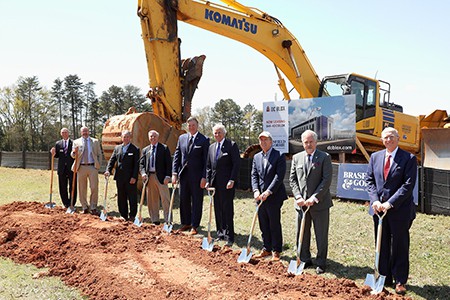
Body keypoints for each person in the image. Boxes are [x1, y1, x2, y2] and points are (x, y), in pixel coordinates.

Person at [366, 127, 417, 295]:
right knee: (381, 242)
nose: (388, 140)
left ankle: (400, 280)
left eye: (391, 137)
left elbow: (408, 186)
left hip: (399, 210)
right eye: (385, 138)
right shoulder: (375, 157)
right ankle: (384, 276)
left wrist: (389, 203)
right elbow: (370, 180)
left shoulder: (409, 158)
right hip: (378, 210)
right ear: (382, 140)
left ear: (397, 139)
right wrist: (374, 200)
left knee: (400, 244)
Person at [289, 129, 333, 274]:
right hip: (301, 204)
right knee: (302, 233)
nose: (308, 145)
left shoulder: (324, 157)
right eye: (306, 142)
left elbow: (326, 180)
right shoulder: (296, 158)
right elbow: (293, 180)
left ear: (316, 142)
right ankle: (304, 259)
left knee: (321, 234)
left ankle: (321, 262)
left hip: (319, 204)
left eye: (311, 142)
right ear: (302, 143)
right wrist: (298, 197)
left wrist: (314, 197)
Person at [251, 131, 287, 261]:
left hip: (274, 195)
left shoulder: (279, 155)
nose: (263, 142)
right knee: (263, 223)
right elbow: (254, 175)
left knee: (274, 223)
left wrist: (269, 191)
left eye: (266, 140)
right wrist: (256, 190)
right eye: (261, 140)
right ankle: (266, 248)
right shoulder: (256, 157)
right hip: (260, 197)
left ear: (271, 142)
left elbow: (279, 176)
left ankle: (276, 250)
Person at [172, 117, 209, 235]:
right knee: (183, 199)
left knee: (197, 200)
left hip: (197, 177)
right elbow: (177, 156)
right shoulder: (182, 138)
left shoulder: (204, 140)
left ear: (197, 126)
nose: (191, 127)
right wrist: (174, 173)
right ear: (187, 126)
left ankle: (194, 225)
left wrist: (204, 177)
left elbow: (206, 161)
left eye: (193, 125)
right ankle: (186, 223)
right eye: (189, 125)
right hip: (183, 175)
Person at [205, 124, 240, 251]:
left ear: (224, 133)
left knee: (227, 209)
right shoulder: (211, 147)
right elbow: (208, 166)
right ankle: (220, 233)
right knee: (218, 209)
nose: (217, 135)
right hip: (215, 184)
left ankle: (229, 236)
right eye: (215, 133)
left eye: (219, 132)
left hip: (227, 184)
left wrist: (232, 179)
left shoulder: (231, 145)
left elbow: (236, 164)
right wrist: (208, 181)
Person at [104, 130, 139, 221]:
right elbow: (112, 160)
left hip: (130, 178)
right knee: (121, 197)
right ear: (121, 138)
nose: (126, 138)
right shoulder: (117, 148)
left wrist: (134, 177)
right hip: (120, 177)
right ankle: (123, 215)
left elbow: (136, 165)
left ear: (130, 138)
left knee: (132, 197)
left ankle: (132, 215)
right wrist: (108, 170)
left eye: (127, 137)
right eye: (124, 137)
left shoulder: (135, 149)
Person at [139, 130, 172, 225]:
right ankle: (155, 219)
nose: (152, 138)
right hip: (150, 177)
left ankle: (168, 219)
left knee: (165, 199)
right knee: (152, 200)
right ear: (148, 138)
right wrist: (143, 173)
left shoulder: (164, 148)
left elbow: (169, 164)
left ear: (158, 137)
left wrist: (167, 176)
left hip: (162, 178)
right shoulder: (145, 150)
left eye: (154, 136)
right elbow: (141, 164)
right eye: (151, 136)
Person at [71, 126, 102, 215]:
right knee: (82, 188)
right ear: (81, 133)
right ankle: (84, 206)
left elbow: (99, 154)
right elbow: (73, 155)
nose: (85, 133)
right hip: (81, 167)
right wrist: (74, 153)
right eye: (83, 131)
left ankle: (93, 207)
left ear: (89, 132)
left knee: (94, 187)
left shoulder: (95, 141)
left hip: (93, 167)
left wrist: (98, 165)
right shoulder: (76, 142)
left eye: (86, 131)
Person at [50, 128, 76, 208]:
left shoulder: (74, 143)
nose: (64, 134)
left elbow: (75, 155)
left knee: (72, 186)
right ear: (61, 134)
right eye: (63, 132)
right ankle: (65, 203)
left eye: (66, 132)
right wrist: (53, 153)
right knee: (62, 186)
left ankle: (72, 202)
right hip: (62, 169)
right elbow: (57, 155)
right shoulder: (58, 144)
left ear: (68, 133)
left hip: (71, 168)